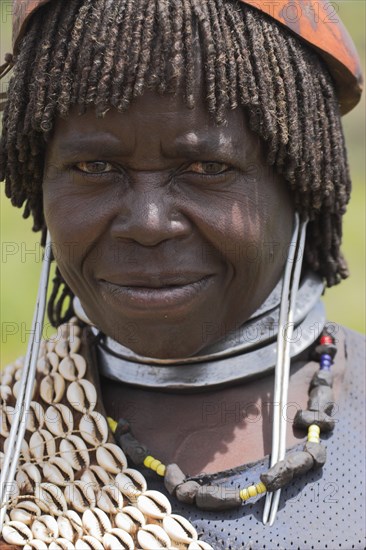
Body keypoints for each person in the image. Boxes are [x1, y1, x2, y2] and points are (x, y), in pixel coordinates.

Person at [0, 0, 364, 548]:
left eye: (207, 167)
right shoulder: (15, 436)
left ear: (302, 183)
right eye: (95, 167)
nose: (148, 226)